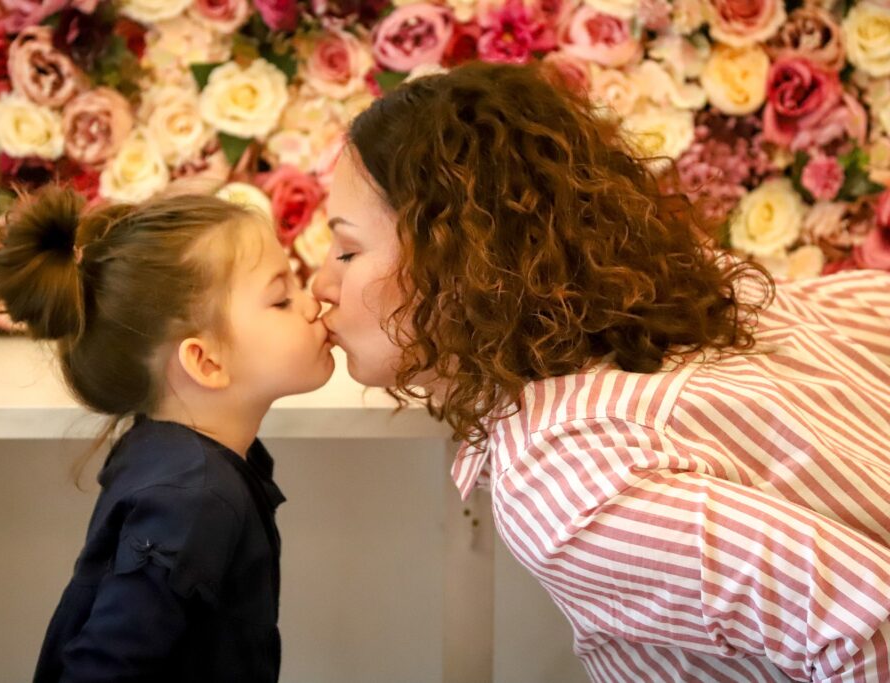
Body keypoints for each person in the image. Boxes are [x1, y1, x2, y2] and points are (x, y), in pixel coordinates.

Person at [312, 61, 890, 681]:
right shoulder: (720, 303)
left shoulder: (563, 474)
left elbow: (870, 626)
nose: (321, 284)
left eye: (348, 251)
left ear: (459, 260)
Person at [0, 187, 334, 682]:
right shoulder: (191, 499)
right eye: (281, 298)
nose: (313, 301)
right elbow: (104, 667)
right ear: (205, 360)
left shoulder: (181, 459)